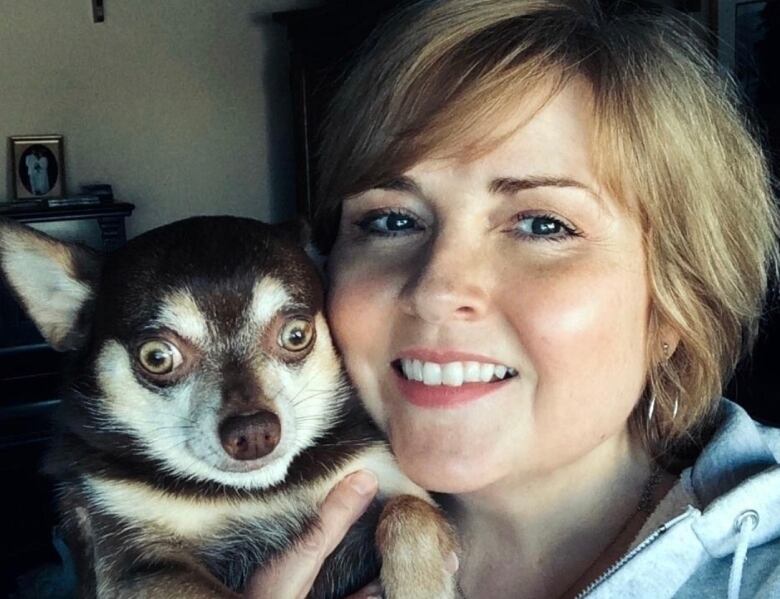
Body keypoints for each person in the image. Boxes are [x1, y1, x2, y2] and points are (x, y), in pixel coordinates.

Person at [246, 0, 780, 597]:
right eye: (392, 220)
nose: (436, 290)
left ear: (675, 304)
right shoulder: (212, 548)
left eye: (542, 225)